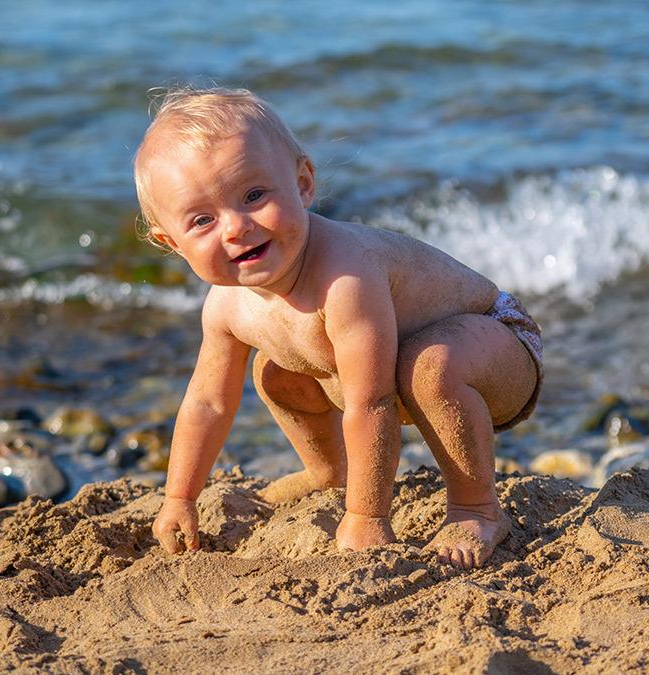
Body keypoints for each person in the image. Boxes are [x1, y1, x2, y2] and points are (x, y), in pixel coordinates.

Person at [135, 87, 541, 569]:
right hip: (399, 371)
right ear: (171, 243)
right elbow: (207, 402)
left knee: (428, 365)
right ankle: (329, 472)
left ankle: (476, 507)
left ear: (303, 183)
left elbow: (372, 402)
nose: (235, 228)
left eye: (254, 195)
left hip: (496, 345)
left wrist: (366, 516)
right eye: (202, 220)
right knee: (275, 372)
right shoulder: (225, 305)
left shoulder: (345, 276)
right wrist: (179, 497)